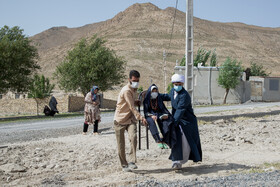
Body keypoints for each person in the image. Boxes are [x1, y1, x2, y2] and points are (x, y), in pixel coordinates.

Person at [161, 74, 202, 170]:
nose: (177, 85)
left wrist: (173, 123)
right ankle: (176, 161)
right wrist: (156, 95)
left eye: (179, 84)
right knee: (177, 140)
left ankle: (180, 160)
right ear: (173, 84)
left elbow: (180, 110)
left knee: (185, 142)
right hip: (177, 120)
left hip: (187, 122)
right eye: (175, 84)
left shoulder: (184, 95)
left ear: (182, 84)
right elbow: (168, 96)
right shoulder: (173, 91)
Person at [114, 70, 148, 172]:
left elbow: (132, 103)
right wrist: (141, 118)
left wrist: (137, 101)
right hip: (120, 119)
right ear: (129, 79)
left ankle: (132, 161)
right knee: (121, 144)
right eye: (134, 80)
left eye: (137, 80)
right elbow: (131, 107)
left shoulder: (134, 89)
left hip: (130, 119)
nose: (136, 82)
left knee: (133, 137)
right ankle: (124, 165)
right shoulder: (126, 90)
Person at [143, 84, 175, 149]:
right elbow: (146, 112)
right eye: (153, 91)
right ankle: (158, 140)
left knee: (168, 120)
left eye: (156, 91)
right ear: (150, 92)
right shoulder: (146, 100)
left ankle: (166, 140)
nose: (154, 93)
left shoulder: (159, 97)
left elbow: (168, 97)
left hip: (160, 114)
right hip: (150, 115)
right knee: (151, 121)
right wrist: (151, 115)